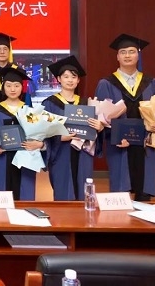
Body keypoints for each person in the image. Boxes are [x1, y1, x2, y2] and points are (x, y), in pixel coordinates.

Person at [95, 34, 155, 201]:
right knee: (121, 195)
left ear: (138, 55)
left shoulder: (151, 83)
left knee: (143, 193)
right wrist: (113, 136)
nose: (127, 55)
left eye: (131, 51)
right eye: (123, 52)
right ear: (117, 56)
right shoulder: (106, 83)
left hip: (146, 144)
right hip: (120, 146)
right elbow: (101, 117)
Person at [42, 55, 104, 201]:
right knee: (63, 190)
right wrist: (60, 137)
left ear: (78, 80)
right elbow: (43, 132)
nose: (70, 80)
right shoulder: (49, 104)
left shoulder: (87, 103)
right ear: (59, 79)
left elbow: (95, 133)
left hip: (83, 154)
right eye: (66, 76)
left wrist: (100, 128)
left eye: (73, 77)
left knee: (84, 189)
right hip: (61, 154)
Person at [0, 67, 42, 201]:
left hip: (26, 159)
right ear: (3, 87)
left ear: (22, 88)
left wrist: (39, 144)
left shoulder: (31, 111)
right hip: (2, 159)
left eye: (16, 85)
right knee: (3, 196)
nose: (12, 89)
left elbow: (41, 135)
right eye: (9, 85)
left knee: (25, 195)